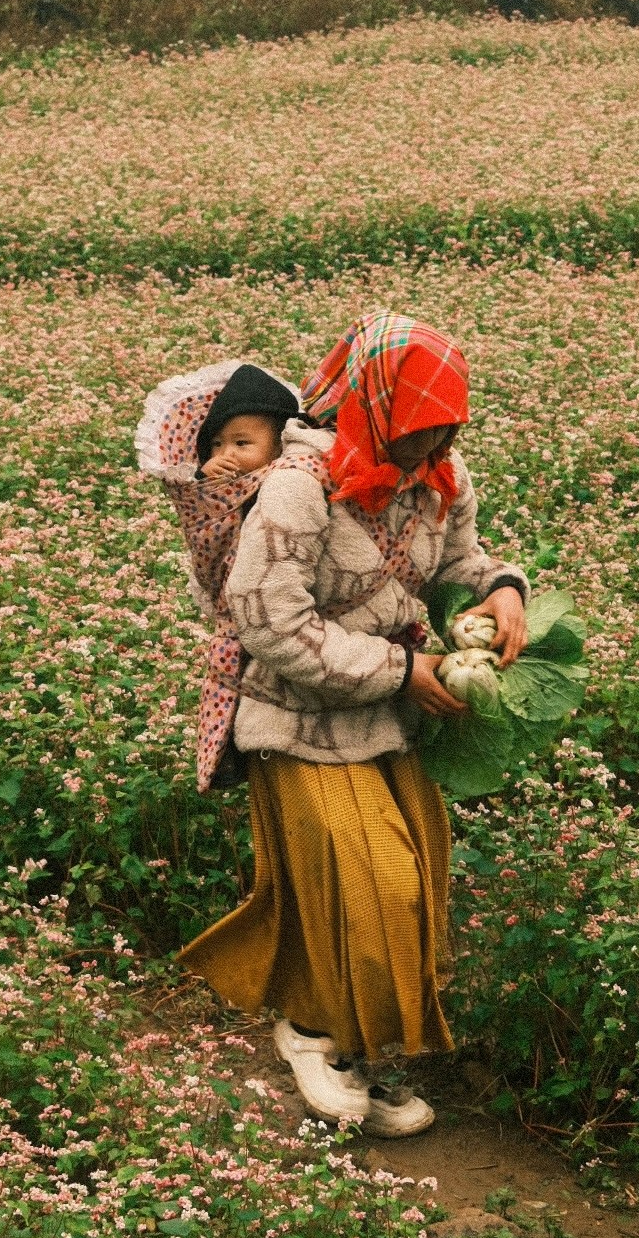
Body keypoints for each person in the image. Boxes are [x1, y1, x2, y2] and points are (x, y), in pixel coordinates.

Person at [176, 309, 528, 1136]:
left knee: (414, 892)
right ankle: (309, 1030)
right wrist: (405, 670)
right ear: (372, 408)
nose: (431, 450)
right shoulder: (300, 490)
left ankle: (372, 1053)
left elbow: (461, 561)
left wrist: (501, 588)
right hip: (294, 719)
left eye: (445, 430)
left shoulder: (440, 475)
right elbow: (269, 624)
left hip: (390, 719)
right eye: (417, 430)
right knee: (375, 885)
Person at [134, 355, 306, 797]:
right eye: (216, 445)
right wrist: (203, 484)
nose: (226, 456)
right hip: (237, 618)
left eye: (242, 443)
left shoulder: (295, 485)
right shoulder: (210, 489)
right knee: (234, 687)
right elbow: (203, 537)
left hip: (291, 624)